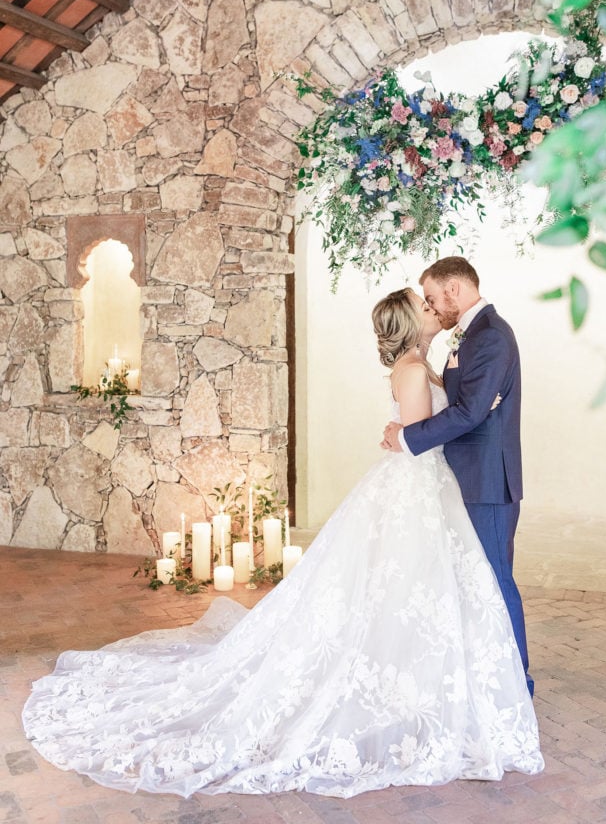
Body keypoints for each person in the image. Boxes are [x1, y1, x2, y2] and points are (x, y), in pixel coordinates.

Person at [22, 288, 543, 800]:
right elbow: (417, 434)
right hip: (415, 491)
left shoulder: (427, 363)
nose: (435, 311)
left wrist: (457, 415)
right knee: (403, 589)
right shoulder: (411, 371)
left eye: (433, 304)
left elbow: (442, 420)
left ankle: (430, 680)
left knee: (425, 591)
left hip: (432, 489)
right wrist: (407, 435)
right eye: (426, 306)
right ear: (411, 321)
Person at [382, 256, 533, 697]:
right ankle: (488, 672)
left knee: (495, 578)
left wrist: (407, 436)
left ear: (453, 290)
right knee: (475, 579)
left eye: (432, 297)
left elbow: (468, 412)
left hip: (486, 480)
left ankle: (516, 680)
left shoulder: (490, 336)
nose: (432, 306)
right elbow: (469, 406)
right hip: (464, 477)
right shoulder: (471, 336)